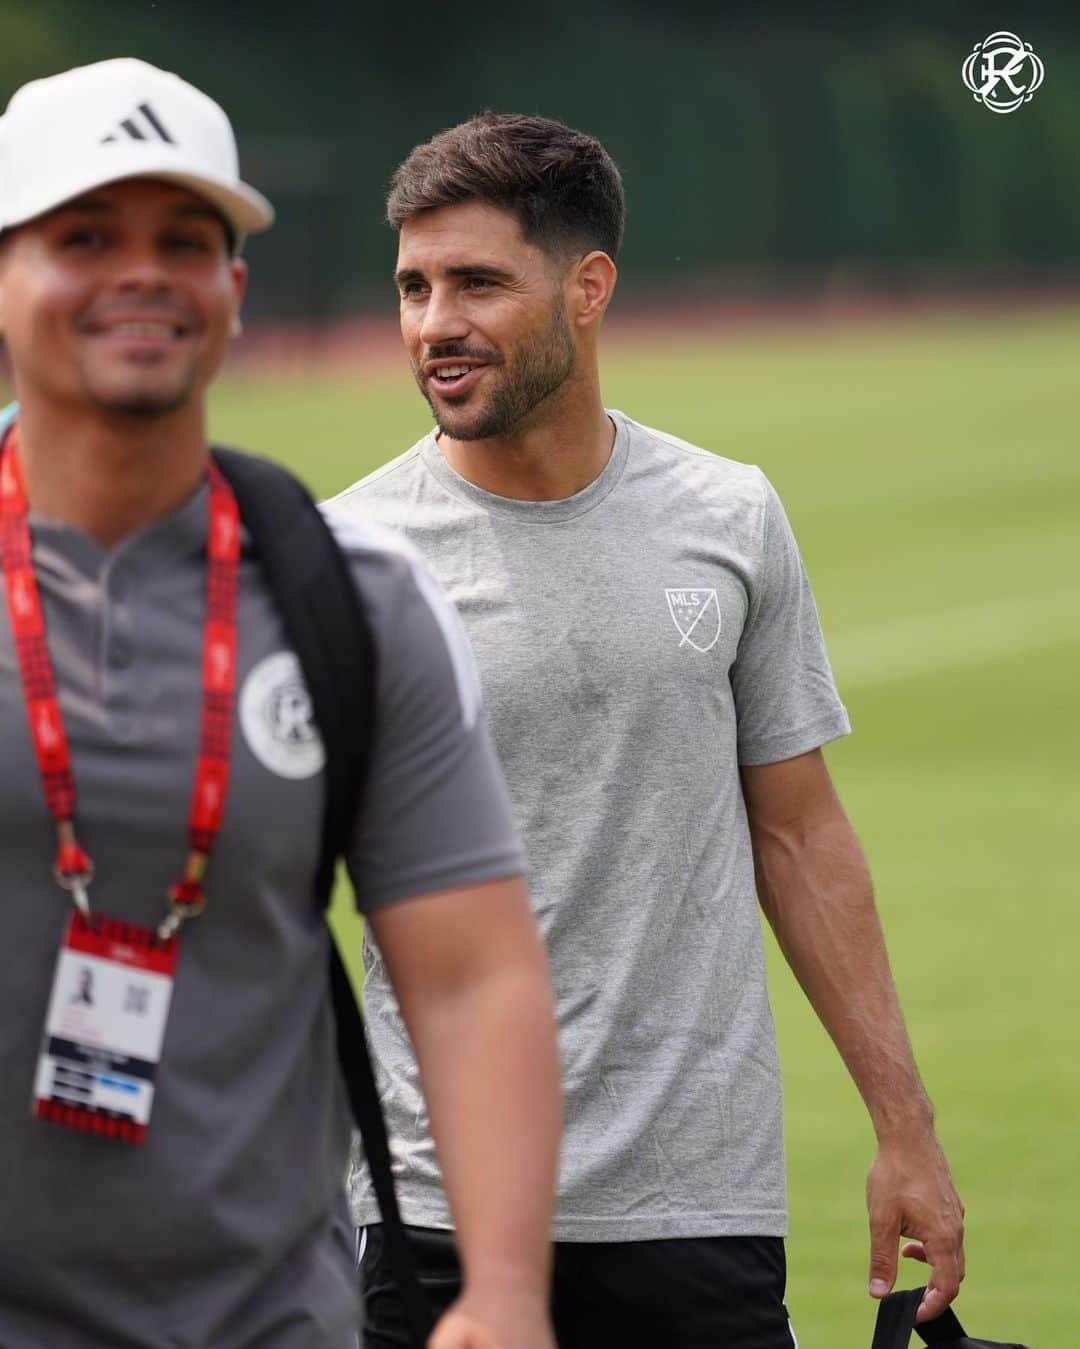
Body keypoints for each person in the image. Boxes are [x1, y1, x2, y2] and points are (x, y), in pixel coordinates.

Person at [331, 113, 966, 1347]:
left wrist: (906, 1127)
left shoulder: (729, 515)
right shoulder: (347, 556)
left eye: (476, 282)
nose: (432, 324)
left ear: (589, 288)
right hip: (435, 1209)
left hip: (696, 1203)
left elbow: (799, 833)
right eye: (413, 285)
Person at [0, 64, 560, 1349]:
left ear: (234, 292)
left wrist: (507, 1288)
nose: (141, 271)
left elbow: (473, 976)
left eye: (184, 241)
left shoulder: (355, 598)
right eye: (85, 236)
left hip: (264, 1319)